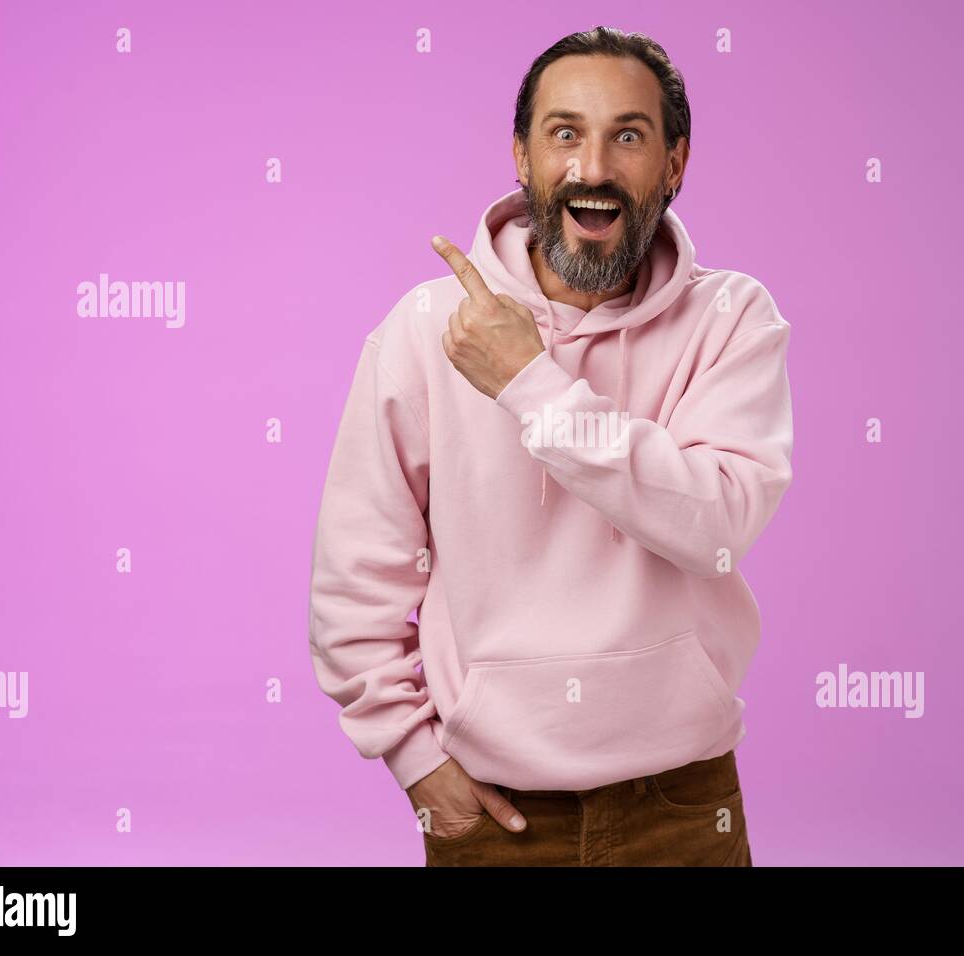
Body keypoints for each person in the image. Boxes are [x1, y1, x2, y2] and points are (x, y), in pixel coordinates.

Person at [308, 26, 793, 866]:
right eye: (564, 133)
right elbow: (357, 575)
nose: (593, 167)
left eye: (628, 136)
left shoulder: (732, 319)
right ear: (523, 159)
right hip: (497, 816)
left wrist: (531, 384)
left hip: (684, 801)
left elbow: (719, 522)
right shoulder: (427, 331)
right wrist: (416, 761)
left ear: (674, 165)